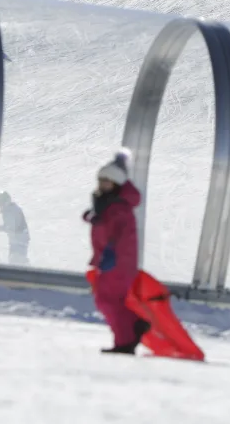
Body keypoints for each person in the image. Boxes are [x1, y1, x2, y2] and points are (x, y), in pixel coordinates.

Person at [84, 149, 149, 354]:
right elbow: (104, 225)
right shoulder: (109, 204)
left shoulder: (118, 207)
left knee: (108, 301)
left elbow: (117, 233)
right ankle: (132, 329)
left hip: (117, 262)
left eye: (107, 181)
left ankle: (125, 340)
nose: (102, 184)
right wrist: (93, 217)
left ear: (117, 183)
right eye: (101, 180)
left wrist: (111, 254)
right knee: (108, 301)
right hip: (113, 260)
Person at [0, 191, 30, 266]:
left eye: (1, 205)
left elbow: (9, 228)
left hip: (19, 241)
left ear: (6, 202)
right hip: (18, 241)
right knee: (15, 260)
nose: (0, 207)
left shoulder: (11, 211)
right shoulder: (11, 209)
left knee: (16, 261)